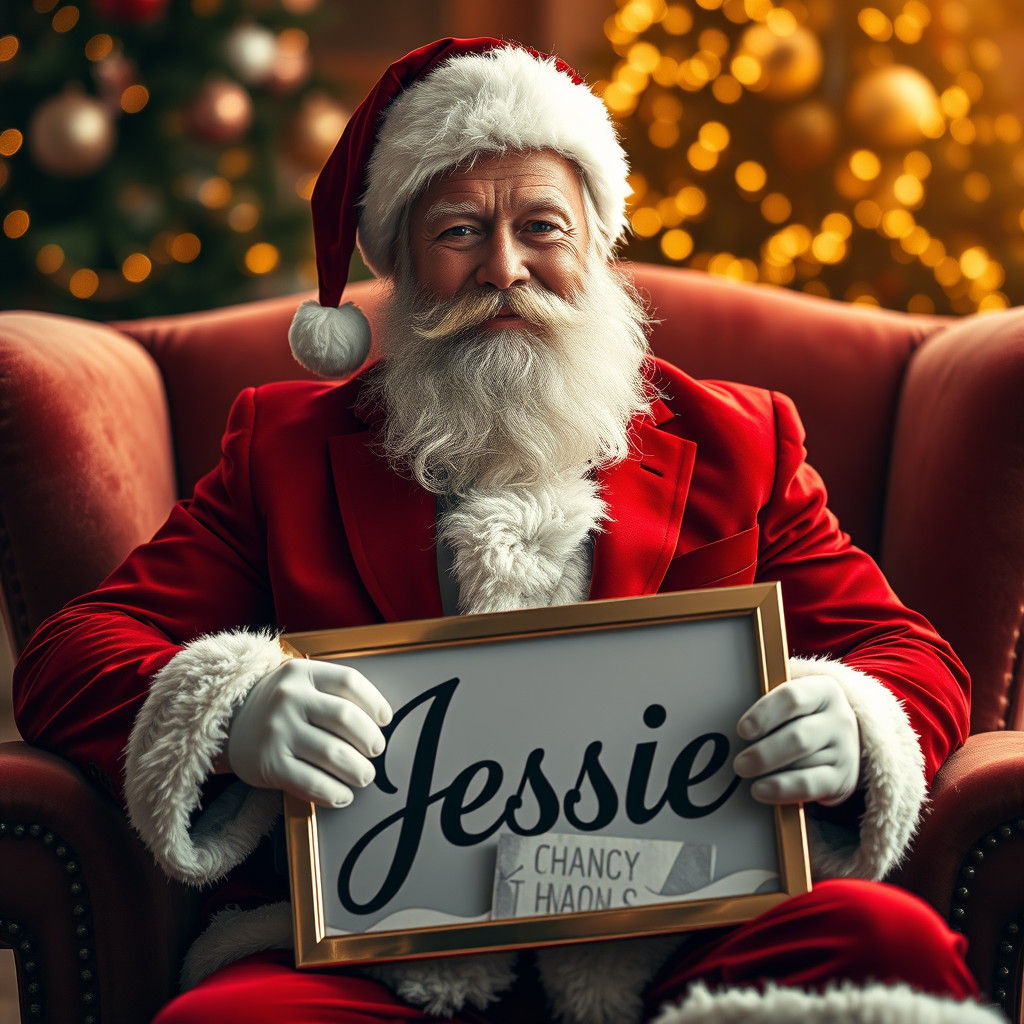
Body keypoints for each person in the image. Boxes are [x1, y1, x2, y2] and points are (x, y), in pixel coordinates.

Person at [13, 36, 1006, 1024]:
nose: (504, 267)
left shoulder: (739, 439)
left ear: (595, 247)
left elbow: (908, 656)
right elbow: (70, 657)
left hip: (685, 936)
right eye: (456, 232)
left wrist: (851, 722)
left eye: (541, 226)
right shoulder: (283, 449)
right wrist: (228, 716)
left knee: (889, 944)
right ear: (398, 261)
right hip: (378, 962)